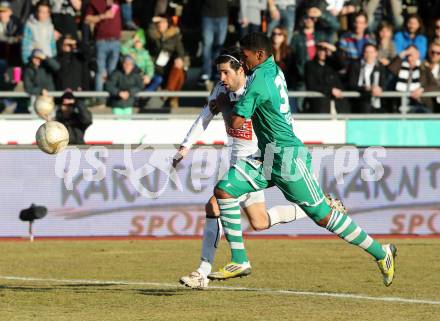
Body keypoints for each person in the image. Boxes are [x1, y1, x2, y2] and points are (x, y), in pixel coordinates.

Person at [213, 32, 397, 287]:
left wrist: (223, 104)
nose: (242, 63)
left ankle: (381, 252)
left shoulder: (260, 81)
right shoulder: (272, 70)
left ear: (260, 55)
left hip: (287, 157)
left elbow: (235, 123)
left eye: (245, 58)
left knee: (322, 216)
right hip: (268, 155)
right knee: (224, 190)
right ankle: (240, 260)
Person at [176, 47, 345, 289]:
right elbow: (205, 114)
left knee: (214, 205)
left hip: (256, 161)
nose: (221, 79)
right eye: (219, 73)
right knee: (260, 222)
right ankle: (323, 204)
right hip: (237, 162)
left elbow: (278, 119)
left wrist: (226, 107)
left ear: (240, 70)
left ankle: (202, 272)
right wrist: (185, 146)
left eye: (225, 73)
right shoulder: (221, 90)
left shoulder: (256, 88)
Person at [147, 14, 187, 109]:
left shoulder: (174, 36)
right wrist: (153, 20)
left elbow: (180, 52)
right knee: (180, 77)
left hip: (169, 67)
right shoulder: (154, 35)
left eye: (163, 22)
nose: (161, 25)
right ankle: (173, 98)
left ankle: (168, 91)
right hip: (157, 67)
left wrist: (179, 58)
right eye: (158, 23)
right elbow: (150, 32)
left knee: (179, 69)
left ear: (167, 23)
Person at [388, 45, 440, 113]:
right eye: (409, 54)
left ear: (418, 54)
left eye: (413, 53)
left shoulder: (424, 69)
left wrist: (422, 89)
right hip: (402, 103)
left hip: (421, 104)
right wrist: (404, 53)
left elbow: (435, 86)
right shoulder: (401, 67)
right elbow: (391, 68)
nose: (411, 56)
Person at [85, 0, 122, 91]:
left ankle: (111, 95)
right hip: (101, 41)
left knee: (112, 71)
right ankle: (99, 98)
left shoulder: (117, 2)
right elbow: (87, 19)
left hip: (116, 41)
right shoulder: (95, 2)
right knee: (100, 72)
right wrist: (103, 16)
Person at [305, 43, 348, 113]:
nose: (322, 53)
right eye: (320, 50)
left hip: (338, 105)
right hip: (320, 105)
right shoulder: (310, 65)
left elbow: (342, 63)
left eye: (325, 50)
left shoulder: (332, 63)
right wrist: (331, 90)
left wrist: (334, 49)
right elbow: (311, 85)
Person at [347, 43, 387, 113]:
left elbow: (384, 84)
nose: (369, 55)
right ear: (363, 53)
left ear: (376, 53)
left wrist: (380, 89)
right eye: (367, 52)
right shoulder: (355, 65)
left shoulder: (380, 67)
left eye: (371, 52)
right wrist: (366, 88)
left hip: (377, 102)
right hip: (360, 102)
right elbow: (351, 84)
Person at [197, 0, 229, 86]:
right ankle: (206, 72)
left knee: (219, 45)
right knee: (207, 45)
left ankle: (217, 71)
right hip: (207, 16)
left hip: (223, 16)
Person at [21, 0, 57, 64]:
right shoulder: (30, 25)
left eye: (45, 12)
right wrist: (26, 61)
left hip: (47, 59)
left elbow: (52, 44)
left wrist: (53, 58)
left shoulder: (50, 26)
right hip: (34, 60)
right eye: (40, 12)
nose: (42, 15)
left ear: (48, 13)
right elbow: (25, 45)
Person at [0, 1, 23, 73]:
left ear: (10, 12)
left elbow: (20, 37)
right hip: (2, 48)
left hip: (14, 49)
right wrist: (13, 39)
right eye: (0, 11)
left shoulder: (16, 22)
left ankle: (17, 79)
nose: (1, 14)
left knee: (17, 53)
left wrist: (16, 39)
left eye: (4, 11)